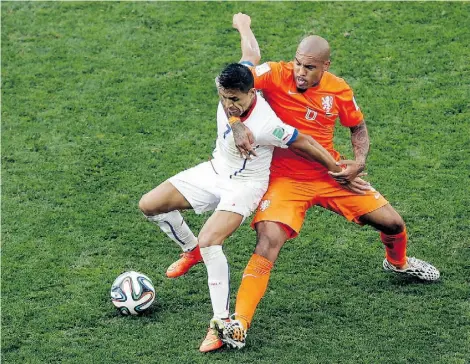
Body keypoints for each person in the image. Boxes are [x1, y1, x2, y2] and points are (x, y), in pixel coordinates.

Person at [215, 13, 440, 350]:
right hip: (284, 180)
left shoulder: (339, 90)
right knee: (267, 242)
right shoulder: (275, 74)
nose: (300, 73)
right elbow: (229, 85)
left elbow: (358, 127)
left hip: (330, 172)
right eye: (298, 64)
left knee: (392, 224)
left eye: (309, 68)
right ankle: (240, 323)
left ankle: (398, 263)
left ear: (325, 66)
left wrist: (359, 162)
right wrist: (235, 121)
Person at [139, 63, 366, 353]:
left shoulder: (268, 125)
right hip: (215, 171)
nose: (228, 104)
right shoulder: (231, 91)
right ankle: (190, 249)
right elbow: (249, 55)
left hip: (245, 186)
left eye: (235, 100)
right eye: (224, 97)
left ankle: (220, 323)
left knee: (211, 241)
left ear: (252, 92)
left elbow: (304, 142)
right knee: (150, 205)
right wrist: (243, 26)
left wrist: (337, 171)